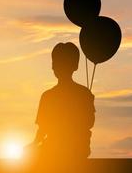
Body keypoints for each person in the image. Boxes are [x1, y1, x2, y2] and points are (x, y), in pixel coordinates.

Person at [25, 42, 95, 170]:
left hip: (58, 151)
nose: (54, 67)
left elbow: (42, 130)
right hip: (79, 150)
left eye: (56, 63)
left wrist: (33, 146)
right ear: (76, 65)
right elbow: (89, 122)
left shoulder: (48, 96)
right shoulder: (84, 93)